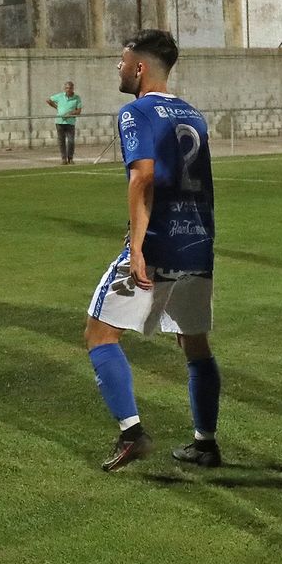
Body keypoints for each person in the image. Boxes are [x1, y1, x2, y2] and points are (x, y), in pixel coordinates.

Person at [84, 30, 222, 472]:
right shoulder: (192, 113)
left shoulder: (136, 112)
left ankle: (132, 433)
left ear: (140, 67)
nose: (118, 69)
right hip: (197, 242)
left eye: (122, 62)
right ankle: (205, 442)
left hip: (159, 239)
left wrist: (137, 246)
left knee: (99, 334)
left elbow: (142, 177)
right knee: (195, 343)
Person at [46, 81, 83, 164]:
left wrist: (71, 113)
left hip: (70, 122)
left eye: (70, 88)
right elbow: (48, 100)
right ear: (64, 89)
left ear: (73, 88)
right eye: (66, 88)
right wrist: (57, 108)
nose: (68, 90)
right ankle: (63, 159)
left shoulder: (77, 98)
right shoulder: (60, 96)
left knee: (71, 141)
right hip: (59, 122)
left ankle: (70, 158)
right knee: (61, 141)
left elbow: (79, 111)